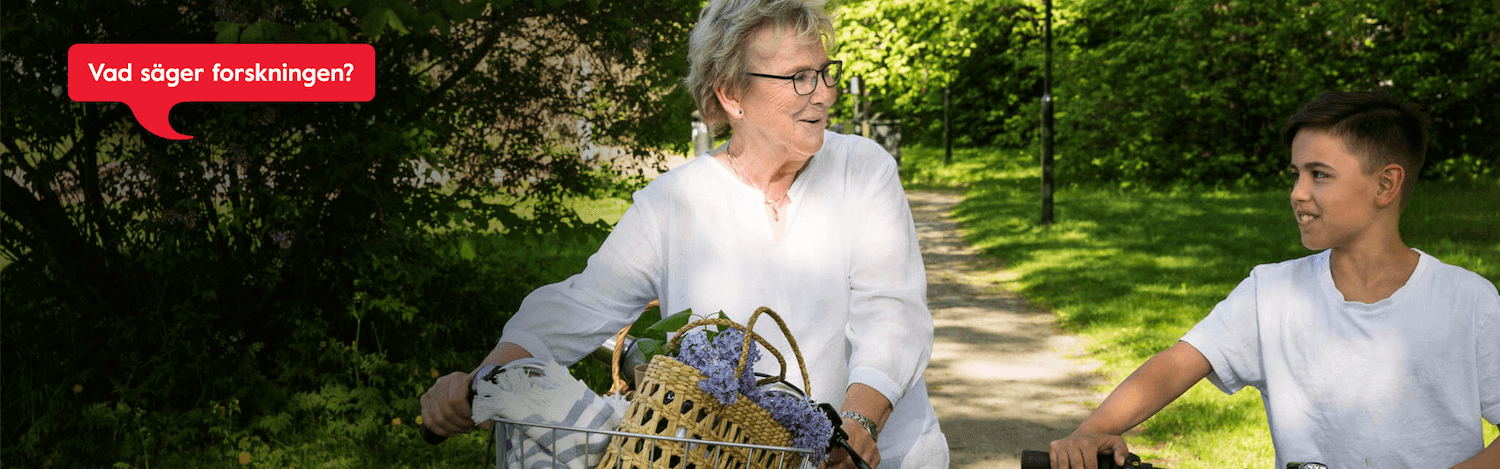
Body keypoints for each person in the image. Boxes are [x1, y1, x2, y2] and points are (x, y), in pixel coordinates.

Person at [420, 0, 950, 467]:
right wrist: (477, 385)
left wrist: (859, 425)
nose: (822, 95)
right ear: (731, 96)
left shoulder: (863, 170)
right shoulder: (674, 203)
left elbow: (893, 314)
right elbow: (578, 308)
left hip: (886, 457)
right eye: (797, 78)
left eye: (823, 72)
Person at [1047, 91, 1500, 469]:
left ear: (1385, 185)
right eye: (1296, 174)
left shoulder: (1468, 301)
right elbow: (1175, 365)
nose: (1297, 192)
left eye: (1319, 175)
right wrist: (1093, 432)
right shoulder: (1272, 294)